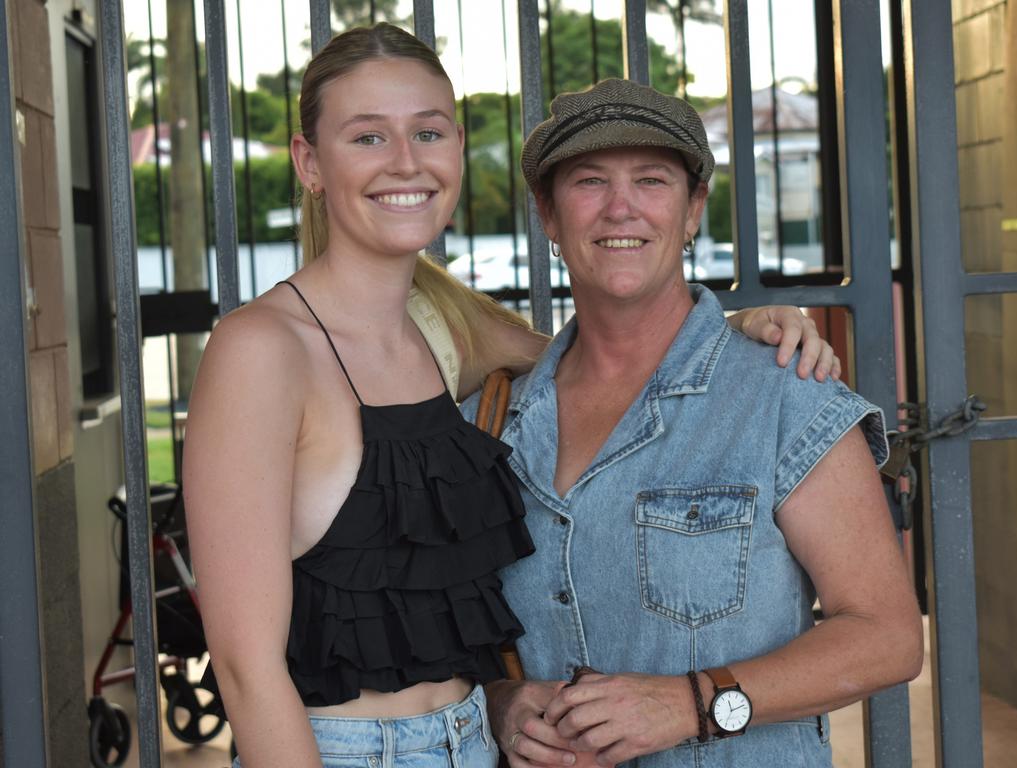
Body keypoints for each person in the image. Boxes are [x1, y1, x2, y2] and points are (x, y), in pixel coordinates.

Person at [183, 24, 843, 768]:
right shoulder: (260, 351)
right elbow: (243, 666)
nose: (406, 162)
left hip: (473, 742)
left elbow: (619, 355)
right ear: (309, 163)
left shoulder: (445, 336)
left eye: (427, 132)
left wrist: (738, 329)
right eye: (367, 138)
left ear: (457, 149)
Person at [473, 78, 924, 768]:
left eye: (652, 180)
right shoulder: (489, 419)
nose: (621, 208)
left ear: (693, 211)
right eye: (589, 181)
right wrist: (501, 705)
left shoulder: (784, 395)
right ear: (548, 214)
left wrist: (693, 701)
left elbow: (888, 637)